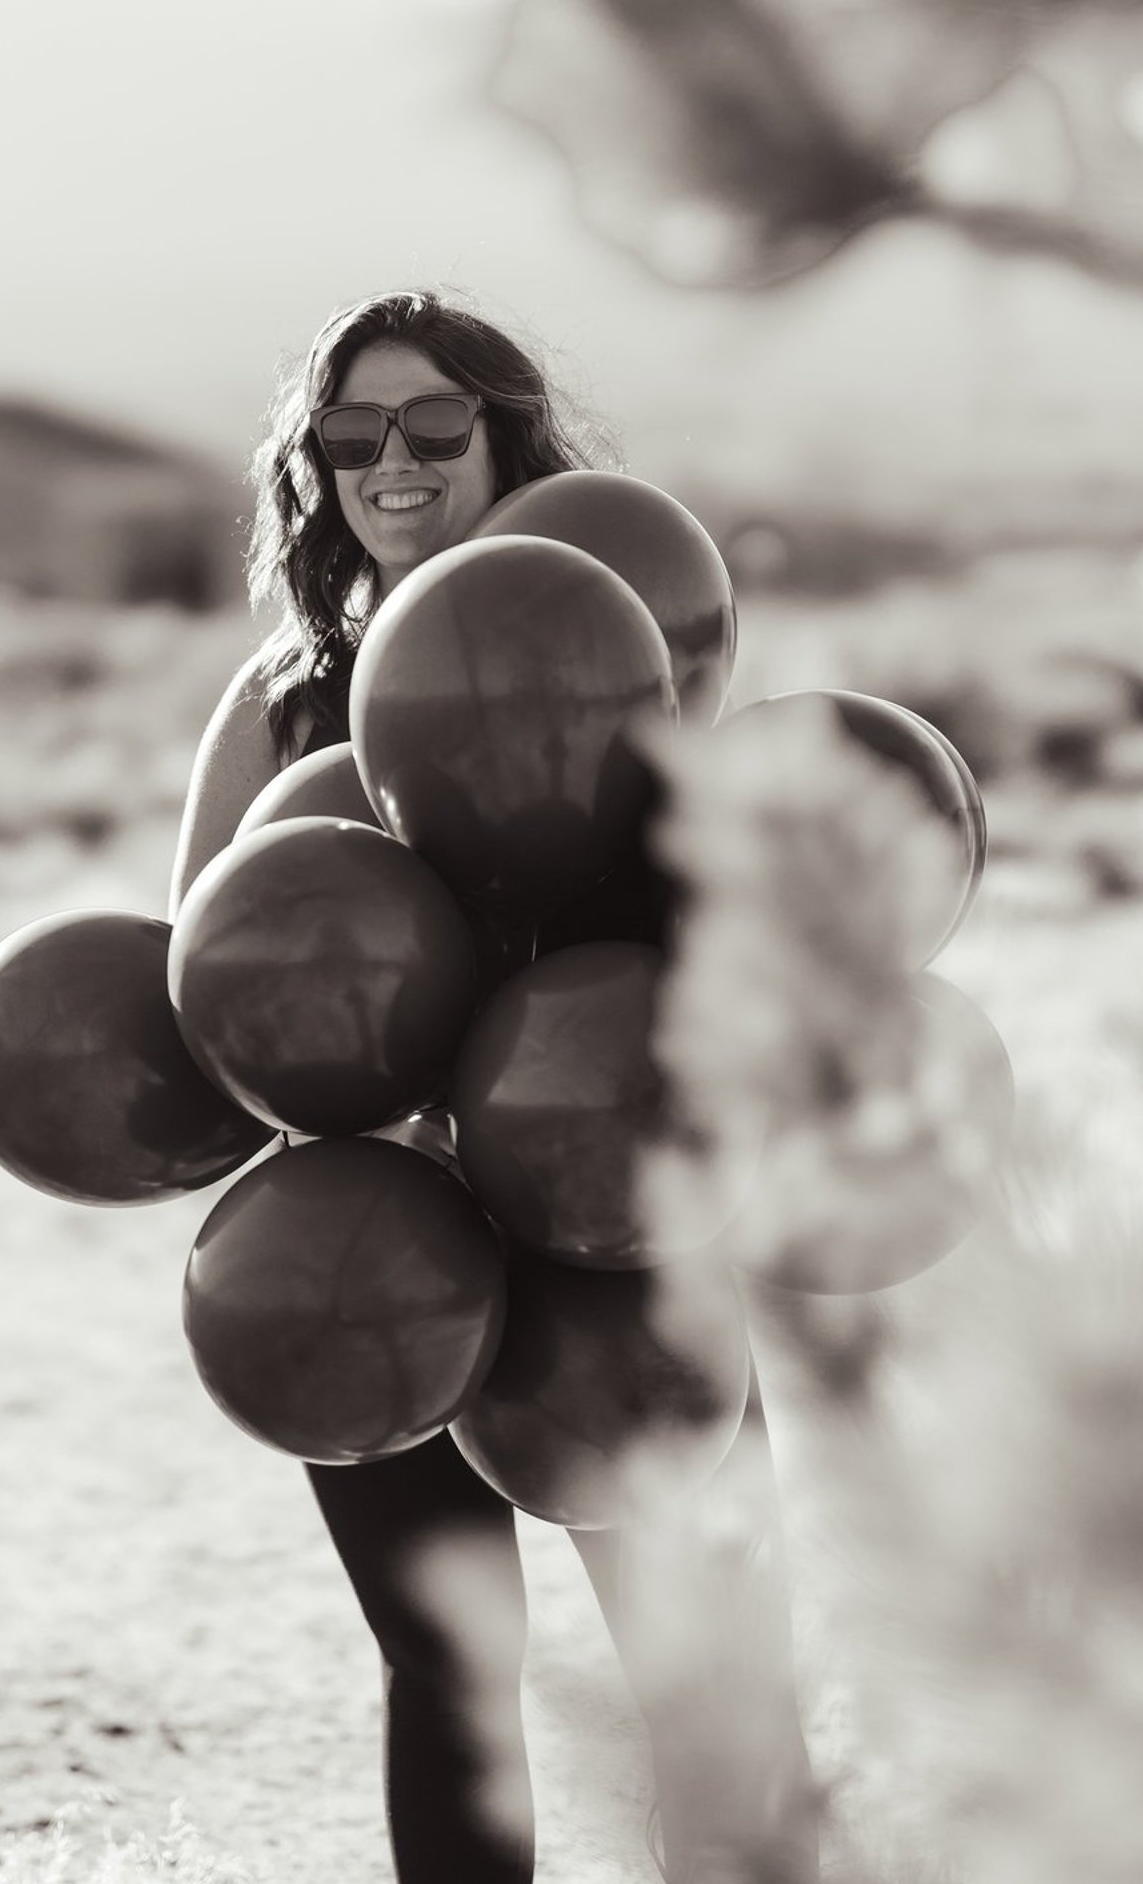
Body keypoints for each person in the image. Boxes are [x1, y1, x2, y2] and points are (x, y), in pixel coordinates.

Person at [172, 290, 817, 1884]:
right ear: (312, 467)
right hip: (371, 1247)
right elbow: (208, 966)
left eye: (435, 425)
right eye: (350, 435)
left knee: (715, 1677)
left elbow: (729, 922)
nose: (393, 463)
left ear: (506, 438)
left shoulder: (621, 661)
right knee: (449, 1677)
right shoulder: (279, 704)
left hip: (618, 1225)